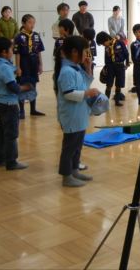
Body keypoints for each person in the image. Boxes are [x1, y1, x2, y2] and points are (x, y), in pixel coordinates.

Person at [55, 36, 100, 187]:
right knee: (69, 147)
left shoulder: (76, 68)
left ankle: (74, 170)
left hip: (79, 114)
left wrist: (88, 68)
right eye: (85, 51)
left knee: (77, 145)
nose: (87, 54)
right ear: (75, 52)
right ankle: (66, 176)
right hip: (71, 115)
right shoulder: (67, 71)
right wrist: (87, 94)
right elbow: (69, 93)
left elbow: (85, 83)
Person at [0, 37, 31, 170]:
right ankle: (11, 161)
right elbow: (13, 87)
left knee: (1, 133)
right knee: (11, 134)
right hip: (8, 105)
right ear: (3, 52)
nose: (12, 51)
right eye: (10, 49)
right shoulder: (4, 67)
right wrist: (26, 88)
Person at [14, 14, 45, 118]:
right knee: (22, 85)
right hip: (24, 62)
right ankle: (21, 111)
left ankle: (33, 109)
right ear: (23, 23)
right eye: (30, 22)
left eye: (33, 22)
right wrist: (18, 67)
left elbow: (39, 51)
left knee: (33, 85)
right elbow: (17, 53)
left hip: (34, 62)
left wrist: (40, 64)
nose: (32, 25)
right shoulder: (19, 37)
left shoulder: (36, 35)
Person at [96, 31, 130, 106]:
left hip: (120, 66)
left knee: (118, 84)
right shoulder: (107, 47)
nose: (103, 45)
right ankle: (105, 102)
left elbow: (126, 53)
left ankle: (117, 101)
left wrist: (127, 63)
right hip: (110, 67)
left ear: (107, 38)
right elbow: (106, 59)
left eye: (103, 43)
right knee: (109, 84)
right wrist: (106, 68)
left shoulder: (120, 43)